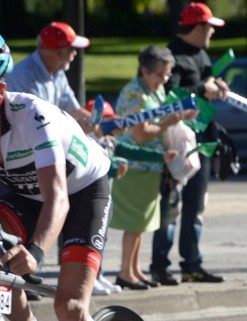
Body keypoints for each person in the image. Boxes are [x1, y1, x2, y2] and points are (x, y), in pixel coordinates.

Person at [0, 37, 126, 321]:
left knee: (71, 306)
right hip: (19, 195)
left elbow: (56, 198)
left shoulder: (30, 115)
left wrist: (35, 250)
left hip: (81, 190)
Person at [4, 21, 121, 295]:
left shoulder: (56, 73)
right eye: (71, 50)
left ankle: (80, 276)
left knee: (71, 306)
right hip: (25, 162)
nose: (74, 56)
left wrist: (101, 125)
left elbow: (73, 113)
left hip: (71, 175)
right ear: (56, 51)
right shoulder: (25, 78)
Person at [150, 1, 228, 285]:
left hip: (202, 138)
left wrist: (217, 87)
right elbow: (168, 94)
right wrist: (200, 90)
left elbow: (205, 82)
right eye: (210, 28)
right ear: (197, 27)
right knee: (170, 205)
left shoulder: (201, 53)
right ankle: (159, 265)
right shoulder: (172, 55)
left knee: (196, 205)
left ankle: (192, 265)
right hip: (177, 139)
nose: (212, 33)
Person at [111, 46, 186, 291]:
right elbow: (141, 134)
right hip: (134, 165)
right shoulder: (135, 94)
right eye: (160, 75)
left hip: (151, 164)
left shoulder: (152, 89)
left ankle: (135, 270)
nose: (164, 80)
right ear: (145, 71)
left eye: (167, 75)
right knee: (135, 222)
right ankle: (125, 272)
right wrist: (168, 122)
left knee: (142, 223)